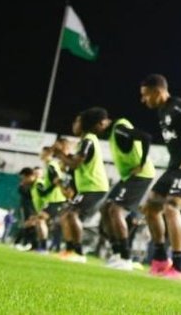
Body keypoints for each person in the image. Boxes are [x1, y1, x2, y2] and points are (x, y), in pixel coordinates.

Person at [140, 73, 181, 280]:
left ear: (158, 91)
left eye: (146, 95)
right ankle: (160, 259)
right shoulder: (162, 111)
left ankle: (178, 268)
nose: (143, 100)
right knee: (151, 206)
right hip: (173, 168)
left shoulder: (178, 105)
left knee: (171, 207)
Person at [53, 107, 113, 262]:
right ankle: (69, 250)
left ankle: (78, 253)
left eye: (77, 121)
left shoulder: (88, 139)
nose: (74, 124)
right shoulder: (84, 141)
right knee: (66, 215)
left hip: (95, 186)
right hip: (87, 187)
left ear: (85, 123)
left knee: (71, 214)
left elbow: (75, 164)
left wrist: (60, 155)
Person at [100, 114, 156, 270]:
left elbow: (146, 137)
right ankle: (117, 253)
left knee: (115, 209)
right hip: (128, 177)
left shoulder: (119, 128)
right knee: (105, 208)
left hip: (141, 174)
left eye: (97, 126)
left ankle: (125, 257)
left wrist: (142, 163)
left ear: (104, 122)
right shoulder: (113, 134)